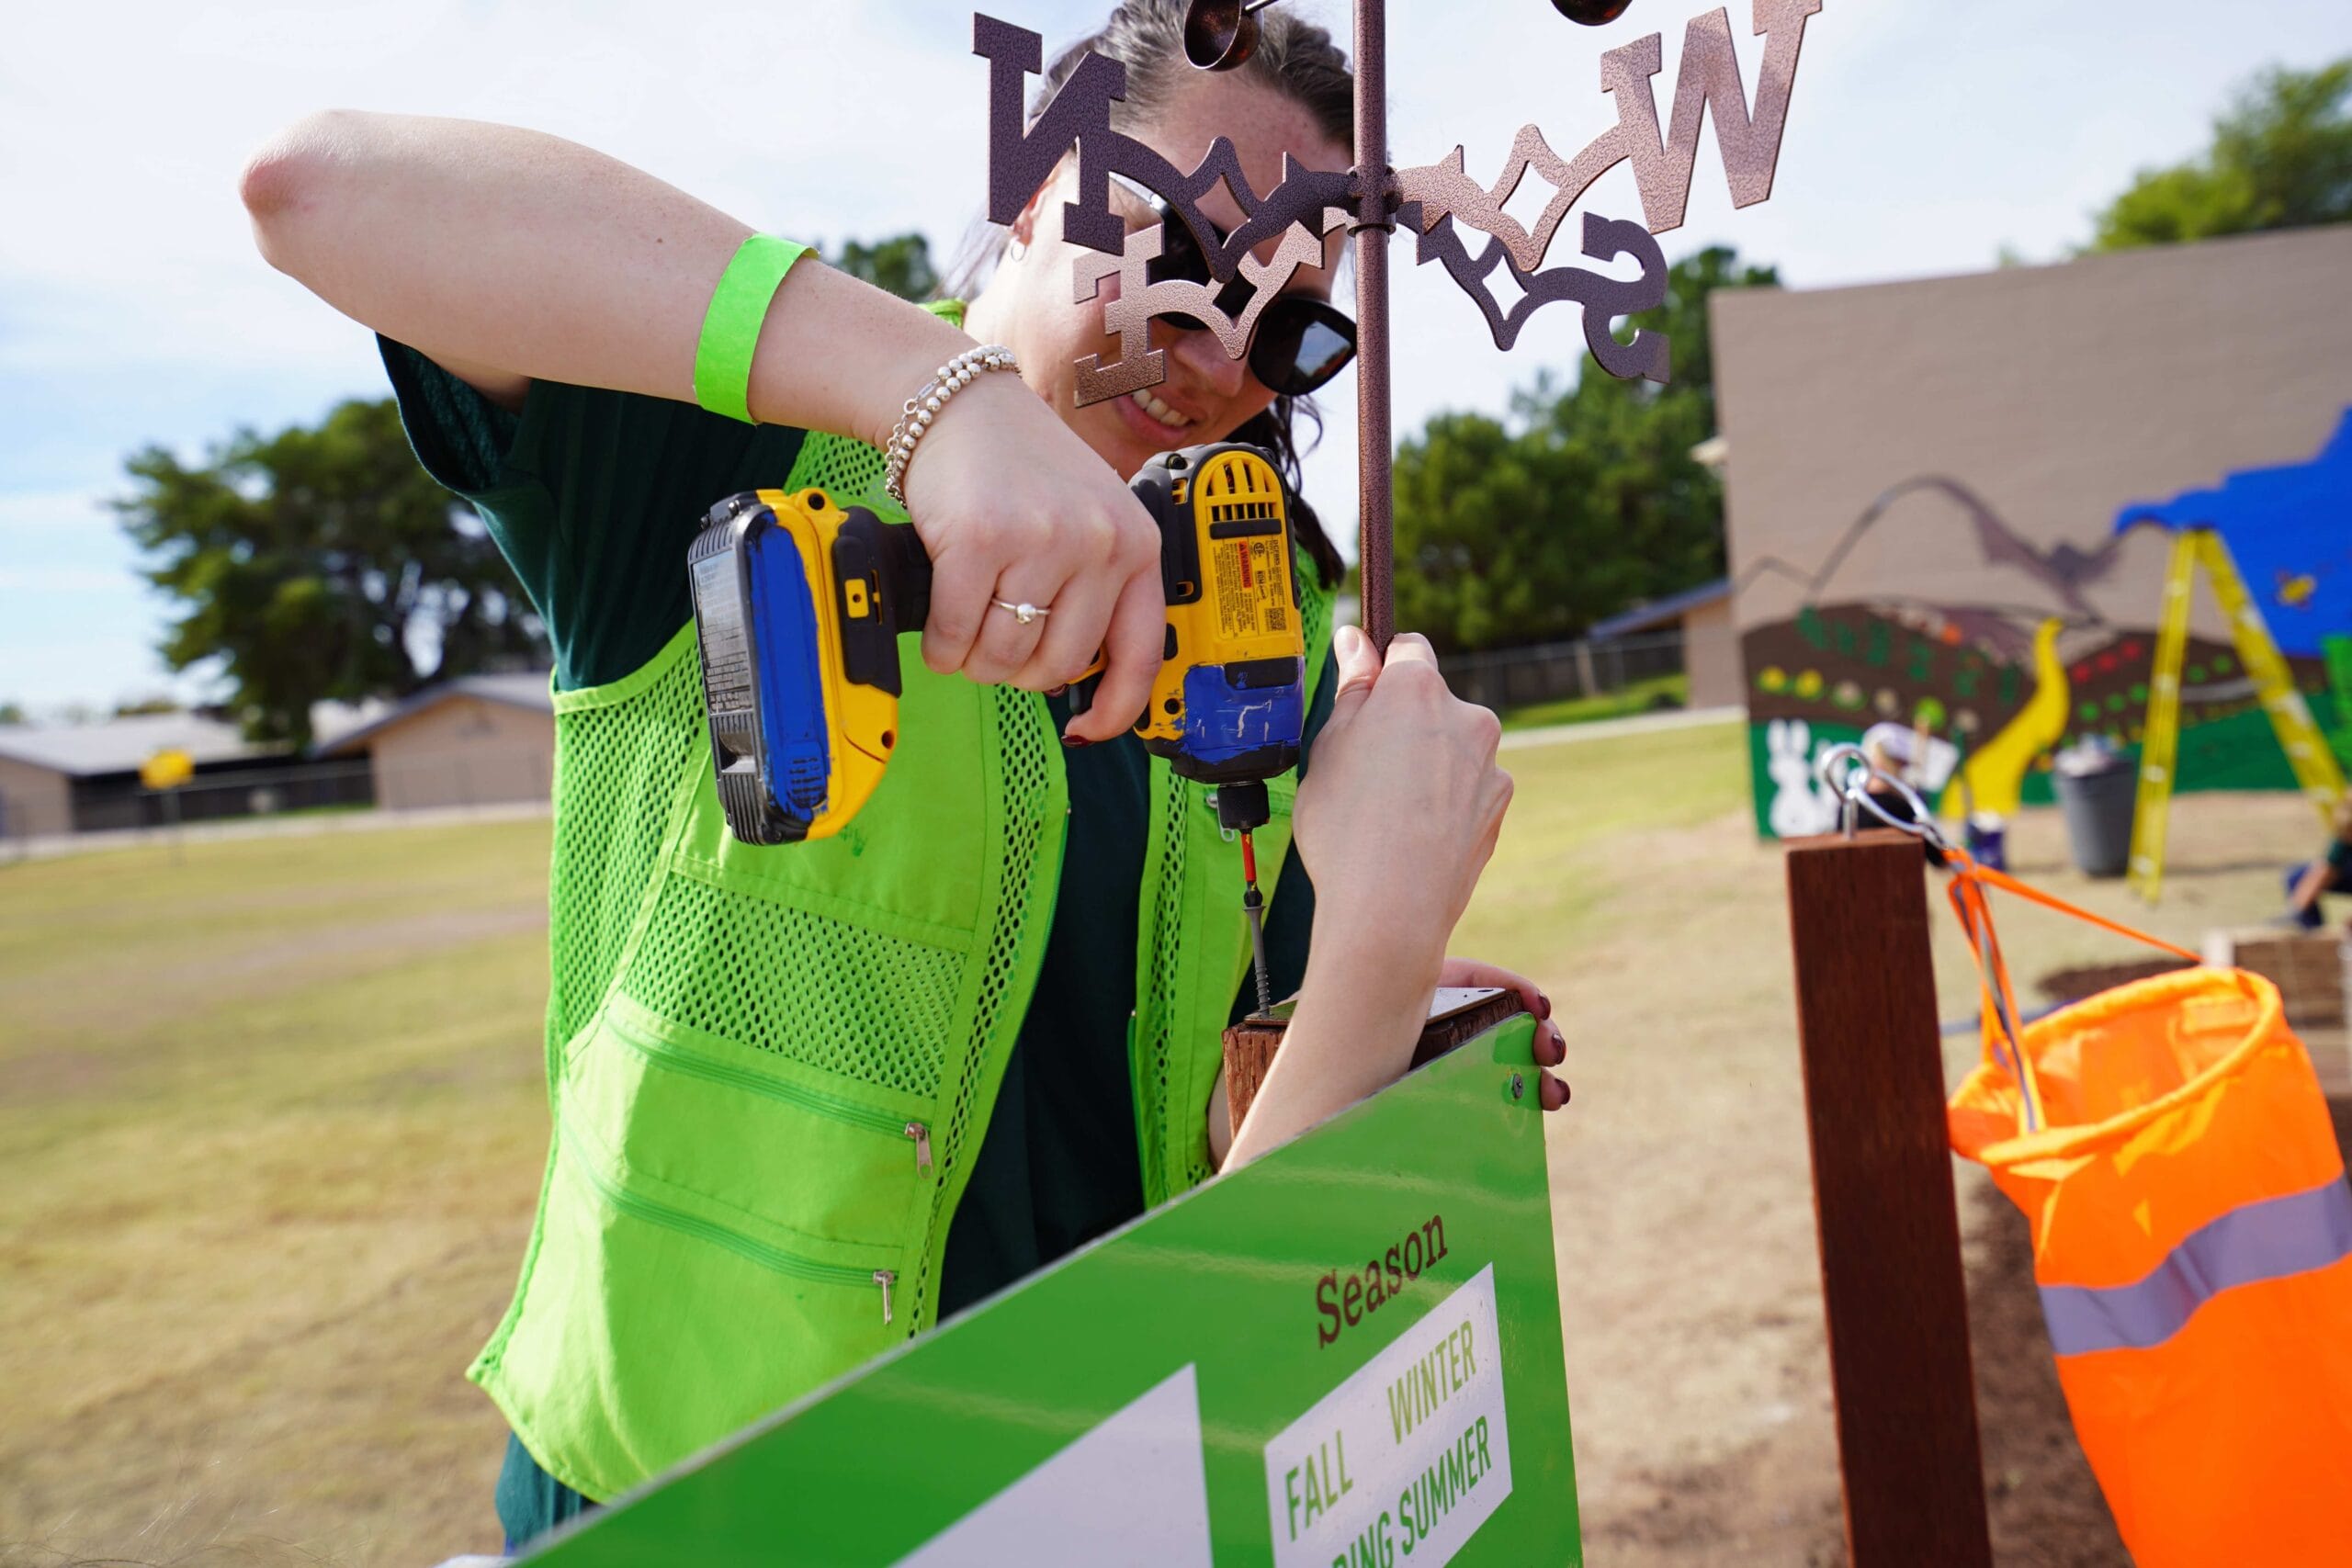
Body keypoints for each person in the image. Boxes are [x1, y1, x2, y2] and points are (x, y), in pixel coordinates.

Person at [242, 0, 1568, 1548]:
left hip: (1077, 1478)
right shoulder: (738, 457)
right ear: (1033, 195)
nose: (1211, 353)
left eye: (1287, 323)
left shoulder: (1259, 607)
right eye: (1174, 258)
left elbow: (1211, 1121)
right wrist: (943, 397)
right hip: (701, 1505)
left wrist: (1369, 991)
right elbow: (313, 188)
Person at [2285, 790, 2352, 931]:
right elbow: (2325, 870)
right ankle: (2314, 940)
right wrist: (2297, 910)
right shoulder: (2345, 828)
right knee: (2297, 878)